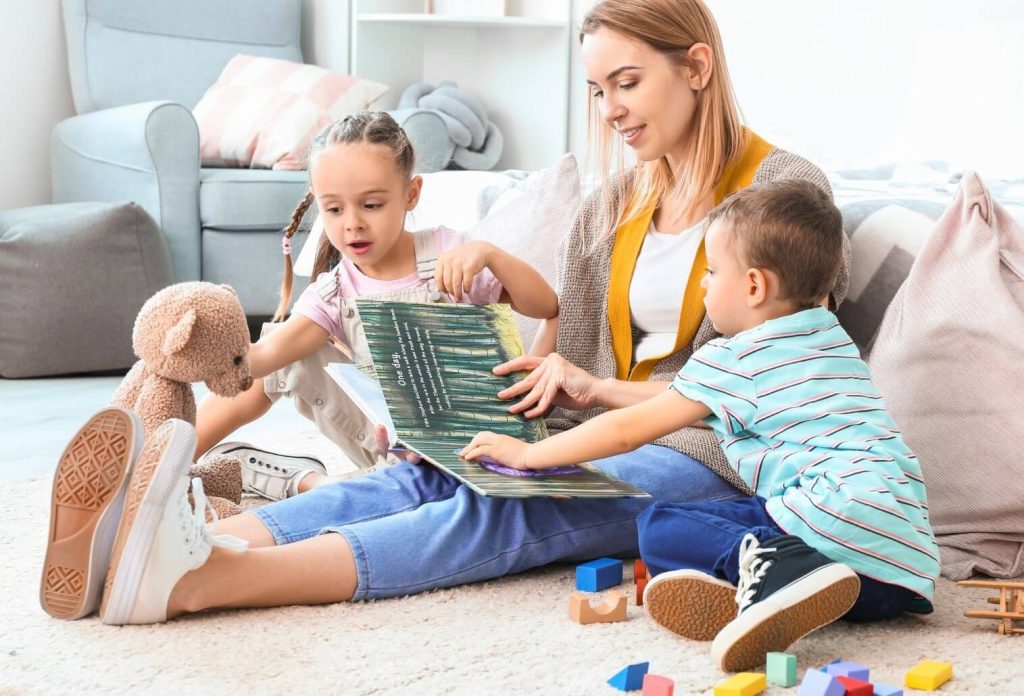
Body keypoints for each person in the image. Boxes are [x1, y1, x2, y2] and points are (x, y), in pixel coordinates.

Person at [47, 0, 853, 627]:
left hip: (708, 456)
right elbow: (566, 348)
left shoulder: (784, 192)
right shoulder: (614, 203)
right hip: (595, 427)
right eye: (597, 90)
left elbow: (779, 376)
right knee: (424, 473)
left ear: (698, 66)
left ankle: (207, 579)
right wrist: (513, 390)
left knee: (501, 502)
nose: (609, 108)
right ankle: (167, 544)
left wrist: (577, 412)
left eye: (628, 83)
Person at [461, 180, 939, 672]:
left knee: (661, 526)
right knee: (748, 515)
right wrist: (600, 389)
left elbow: (628, 431)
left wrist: (527, 455)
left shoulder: (734, 357)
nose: (705, 283)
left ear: (754, 286)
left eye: (712, 271)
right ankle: (778, 588)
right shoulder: (828, 341)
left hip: (830, 528)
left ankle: (772, 570)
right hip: (897, 574)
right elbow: (683, 400)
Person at [192, 111, 558, 501]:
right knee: (291, 351)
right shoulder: (334, 291)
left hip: (478, 437)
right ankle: (171, 460)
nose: (352, 224)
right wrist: (209, 357)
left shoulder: (449, 254)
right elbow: (266, 358)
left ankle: (303, 482)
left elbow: (545, 306)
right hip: (392, 443)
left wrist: (490, 255)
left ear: (410, 194)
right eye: (334, 210)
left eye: (371, 205)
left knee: (387, 500)